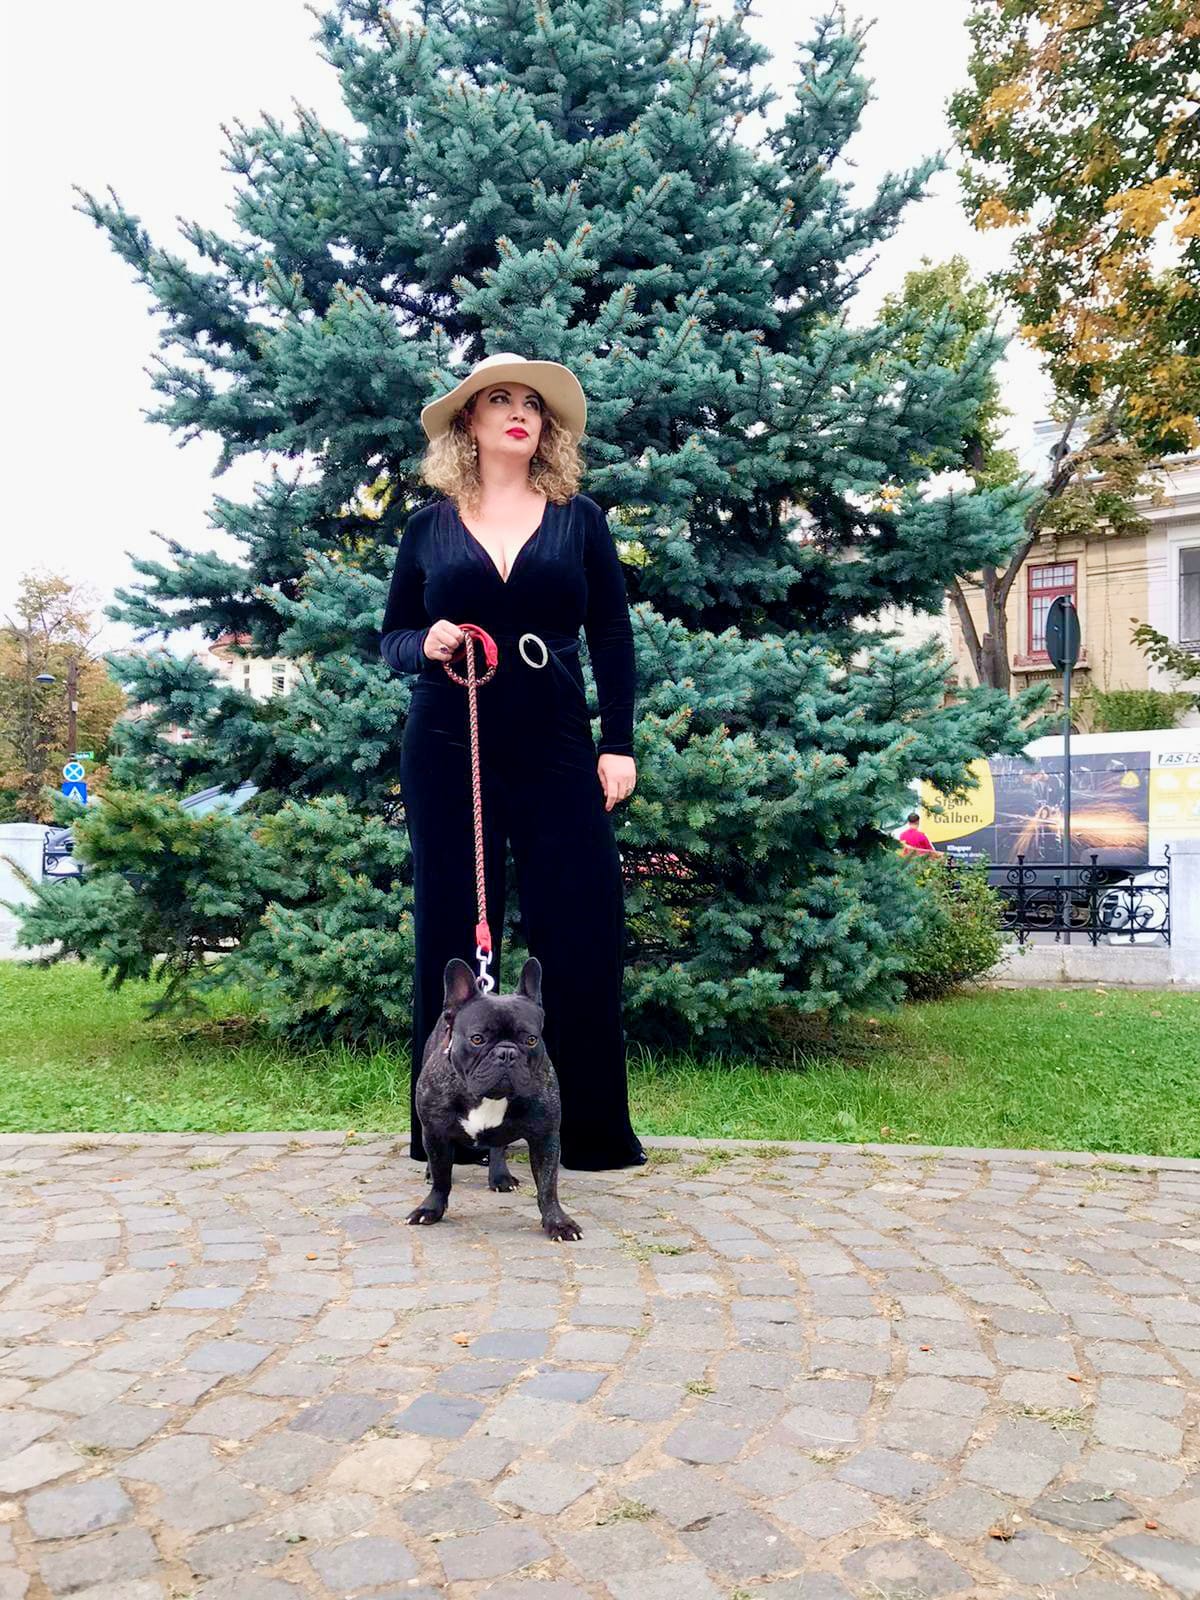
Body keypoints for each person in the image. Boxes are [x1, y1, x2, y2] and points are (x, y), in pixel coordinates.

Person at [379, 351, 646, 1172]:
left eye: (531, 402)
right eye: (499, 399)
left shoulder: (579, 519)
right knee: (451, 925)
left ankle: (587, 1132)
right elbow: (390, 637)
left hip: (556, 736)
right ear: (470, 421)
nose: (519, 412)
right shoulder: (427, 528)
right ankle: (449, 1133)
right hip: (447, 735)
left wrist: (618, 743)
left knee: (581, 920)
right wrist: (424, 643)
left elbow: (612, 635)